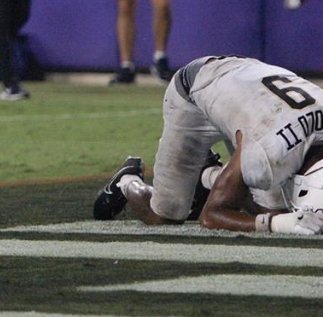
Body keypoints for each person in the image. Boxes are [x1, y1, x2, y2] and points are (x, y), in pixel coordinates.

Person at [93, 55, 323, 236]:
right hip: (195, 91)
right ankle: (126, 181)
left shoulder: (269, 152)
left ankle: (209, 176)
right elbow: (211, 216)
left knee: (270, 209)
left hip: (247, 86)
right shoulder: (267, 152)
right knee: (164, 216)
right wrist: (277, 224)